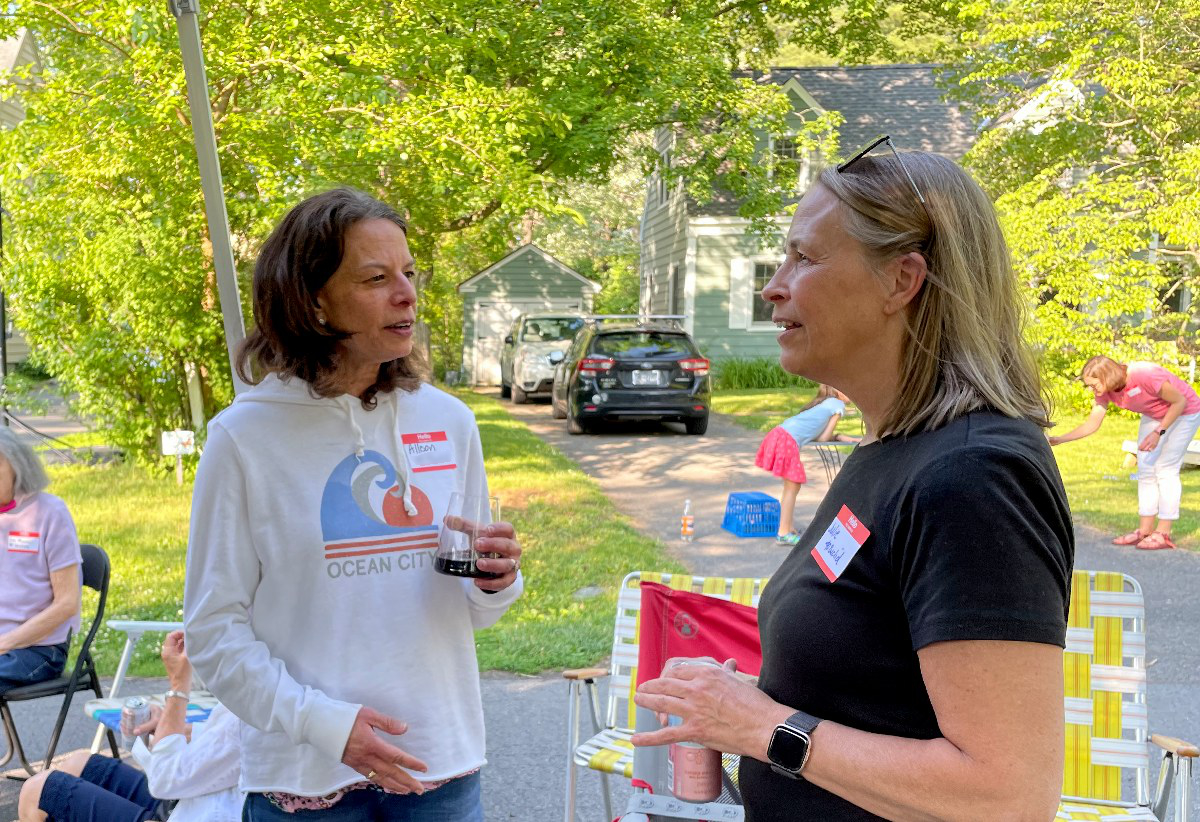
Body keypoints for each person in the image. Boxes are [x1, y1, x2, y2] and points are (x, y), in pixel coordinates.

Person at [631, 144, 1074, 820]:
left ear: (901, 281)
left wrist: (761, 728)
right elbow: (876, 694)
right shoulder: (891, 452)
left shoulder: (974, 476)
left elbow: (1008, 796)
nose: (773, 285)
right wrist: (744, 710)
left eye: (804, 258)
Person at [183, 188, 524, 821]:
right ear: (312, 300)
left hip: (438, 765)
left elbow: (475, 608)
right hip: (305, 777)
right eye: (376, 278)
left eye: (409, 273)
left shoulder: (448, 421)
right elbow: (212, 633)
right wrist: (325, 725)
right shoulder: (244, 437)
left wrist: (495, 578)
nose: (407, 294)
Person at [17, 630, 242, 822]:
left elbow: (167, 779)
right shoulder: (260, 681)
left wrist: (178, 688)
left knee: (37, 791)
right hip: (194, 796)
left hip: (203, 810)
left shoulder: (262, 699)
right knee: (79, 763)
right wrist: (174, 726)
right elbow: (227, 741)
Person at [1049, 355, 1200, 549]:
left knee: (1165, 469)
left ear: (1107, 376)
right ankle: (1144, 531)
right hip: (1155, 414)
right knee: (1145, 469)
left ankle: (1163, 533)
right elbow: (1093, 423)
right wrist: (1061, 439)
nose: (1091, 389)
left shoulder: (1144, 374)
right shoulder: (1105, 390)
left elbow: (1179, 401)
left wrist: (1157, 432)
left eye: (1093, 385)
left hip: (1185, 412)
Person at [0, 427, 81, 696]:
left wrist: (6, 642)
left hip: (39, 650)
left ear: (17, 463)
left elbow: (68, 603)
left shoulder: (49, 513)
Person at [754, 384, 860, 545]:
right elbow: (824, 438)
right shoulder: (838, 405)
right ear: (837, 390)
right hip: (787, 440)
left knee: (792, 487)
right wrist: (838, 436)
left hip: (780, 435)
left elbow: (820, 435)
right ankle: (783, 533)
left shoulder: (828, 402)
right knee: (792, 486)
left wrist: (841, 437)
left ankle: (787, 528)